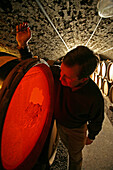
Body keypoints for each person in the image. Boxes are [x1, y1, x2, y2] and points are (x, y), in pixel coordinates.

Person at [16, 23, 104, 170]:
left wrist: (92, 135)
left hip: (76, 129)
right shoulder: (57, 74)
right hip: (58, 123)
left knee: (75, 156)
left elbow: (97, 119)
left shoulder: (93, 97)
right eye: (61, 71)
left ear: (83, 79)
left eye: (68, 77)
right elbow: (34, 70)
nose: (61, 79)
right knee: (60, 143)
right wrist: (23, 45)